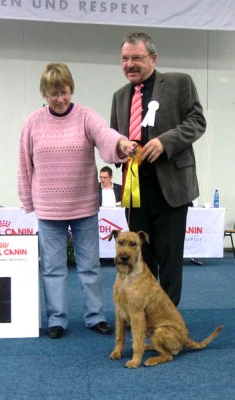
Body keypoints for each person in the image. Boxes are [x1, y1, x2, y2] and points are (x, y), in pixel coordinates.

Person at [18, 62, 136, 339]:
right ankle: (57, 319)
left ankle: (95, 316)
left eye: (65, 92)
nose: (60, 98)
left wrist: (121, 144)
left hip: (83, 205)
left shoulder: (85, 116)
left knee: (89, 266)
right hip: (48, 208)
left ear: (72, 89)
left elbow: (105, 134)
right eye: (53, 93)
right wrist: (28, 200)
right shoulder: (33, 122)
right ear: (44, 94)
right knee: (52, 268)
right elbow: (24, 162)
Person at [110, 32, 206, 306]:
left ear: (153, 58)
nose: (130, 64)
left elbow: (197, 121)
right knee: (142, 257)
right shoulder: (119, 96)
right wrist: (121, 147)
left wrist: (165, 142)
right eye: (125, 59)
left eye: (137, 58)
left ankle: (167, 318)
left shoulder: (179, 82)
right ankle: (145, 314)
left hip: (172, 187)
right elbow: (115, 137)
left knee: (170, 256)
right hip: (135, 189)